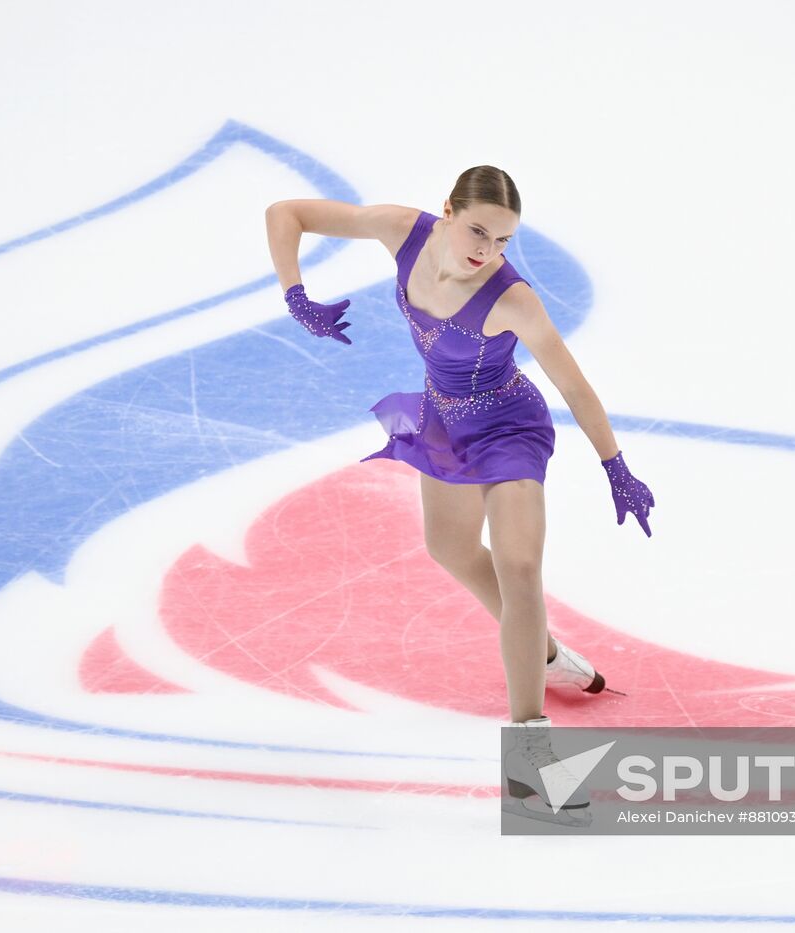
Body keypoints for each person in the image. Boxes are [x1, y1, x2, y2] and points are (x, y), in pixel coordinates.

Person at [266, 166, 654, 825]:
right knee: (447, 546)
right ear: (447, 211)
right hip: (445, 418)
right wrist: (295, 293)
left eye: (502, 240)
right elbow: (286, 212)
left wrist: (615, 463)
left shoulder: (512, 298)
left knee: (520, 565)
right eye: (478, 230)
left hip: (509, 427)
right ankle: (548, 656)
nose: (486, 250)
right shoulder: (402, 230)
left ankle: (533, 758)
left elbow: (575, 386)